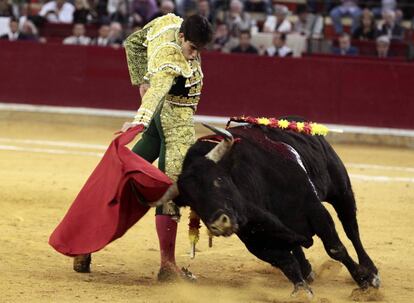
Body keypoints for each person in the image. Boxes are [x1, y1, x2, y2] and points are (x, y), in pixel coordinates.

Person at [73, 13, 213, 282]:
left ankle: (83, 244)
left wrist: (140, 81)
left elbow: (133, 43)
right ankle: (167, 265)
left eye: (200, 50)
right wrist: (137, 122)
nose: (194, 56)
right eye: (193, 48)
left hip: (159, 121)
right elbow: (157, 93)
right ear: (182, 37)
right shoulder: (171, 60)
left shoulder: (168, 22)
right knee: (170, 187)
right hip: (172, 125)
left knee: (121, 179)